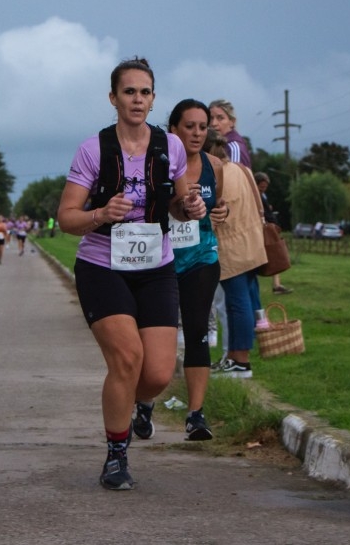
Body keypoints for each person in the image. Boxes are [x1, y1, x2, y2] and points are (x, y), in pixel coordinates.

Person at [57, 57, 206, 490]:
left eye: (145, 92)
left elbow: (179, 205)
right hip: (103, 266)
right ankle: (116, 455)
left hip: (156, 266)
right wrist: (100, 212)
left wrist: (190, 207)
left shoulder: (170, 146)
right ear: (113, 98)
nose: (137, 99)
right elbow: (67, 218)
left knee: (158, 374)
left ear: (153, 99)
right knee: (127, 358)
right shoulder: (94, 150)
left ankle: (142, 405)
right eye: (129, 92)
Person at [165, 99, 228, 441]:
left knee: (197, 332)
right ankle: (144, 403)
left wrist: (222, 213)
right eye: (189, 126)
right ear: (173, 129)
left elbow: (219, 206)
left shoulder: (214, 166)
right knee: (156, 337)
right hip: (160, 261)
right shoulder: (157, 163)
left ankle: (196, 415)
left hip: (202, 258)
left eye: (203, 127)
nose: (197, 133)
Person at [208, 132, 268, 379]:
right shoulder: (243, 169)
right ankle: (234, 357)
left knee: (237, 303)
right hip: (253, 243)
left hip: (232, 247)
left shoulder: (216, 173)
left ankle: (240, 360)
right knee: (241, 303)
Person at [255, 172, 292, 295]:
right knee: (272, 254)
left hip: (270, 228)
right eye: (262, 187)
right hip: (264, 230)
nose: (263, 189)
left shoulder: (262, 195)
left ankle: (276, 284)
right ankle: (272, 284)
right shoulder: (255, 196)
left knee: (274, 254)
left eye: (265, 187)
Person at [209, 99, 251, 169]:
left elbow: (235, 178)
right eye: (211, 118)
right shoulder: (212, 145)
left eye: (220, 118)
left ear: (232, 122)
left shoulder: (234, 148)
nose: (214, 123)